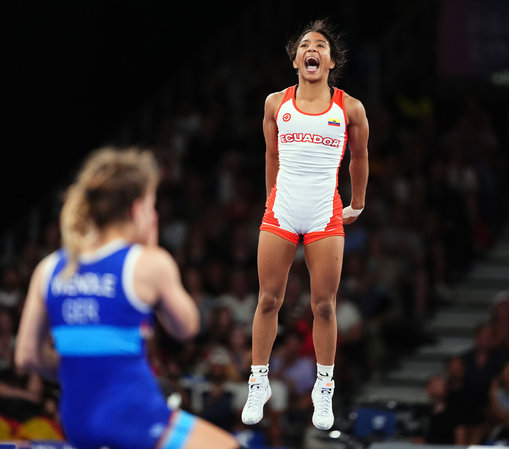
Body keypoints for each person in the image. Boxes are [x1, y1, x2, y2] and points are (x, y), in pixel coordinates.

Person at [14, 148, 240, 449]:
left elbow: (27, 356)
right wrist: (155, 251)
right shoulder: (147, 263)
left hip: (76, 420)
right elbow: (187, 329)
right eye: (152, 206)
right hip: (136, 416)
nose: (155, 215)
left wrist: (83, 374)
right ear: (137, 209)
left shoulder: (49, 268)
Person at [241, 18, 369, 431]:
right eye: (304, 46)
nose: (312, 49)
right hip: (283, 208)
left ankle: (324, 386)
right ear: (296, 60)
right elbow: (271, 156)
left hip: (323, 212)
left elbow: (359, 159)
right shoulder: (276, 104)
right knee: (267, 300)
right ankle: (258, 381)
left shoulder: (349, 108)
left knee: (324, 305)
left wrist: (358, 203)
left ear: (331, 61)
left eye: (320, 46)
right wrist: (269, 198)